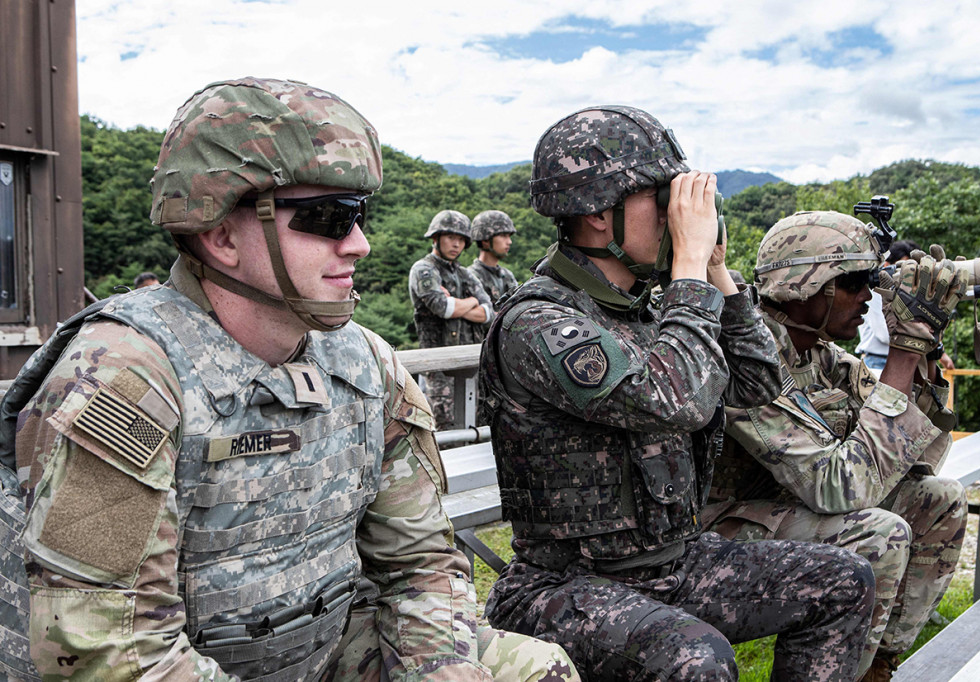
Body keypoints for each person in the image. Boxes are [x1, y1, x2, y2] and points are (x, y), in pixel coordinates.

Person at [3, 77, 577, 681]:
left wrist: (441, 671)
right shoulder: (122, 378)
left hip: (327, 648)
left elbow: (421, 565)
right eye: (329, 218)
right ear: (222, 235)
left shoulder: (363, 362)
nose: (361, 244)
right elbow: (112, 652)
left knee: (534, 670)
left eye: (359, 215)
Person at [479, 105, 875, 681]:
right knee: (694, 658)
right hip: (563, 585)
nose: (678, 217)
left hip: (672, 562)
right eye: (662, 200)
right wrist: (686, 267)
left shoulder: (650, 313)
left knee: (843, 581)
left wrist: (715, 273)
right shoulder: (537, 322)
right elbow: (675, 400)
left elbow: (761, 386)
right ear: (595, 214)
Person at [704, 211, 969, 681]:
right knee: (878, 532)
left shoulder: (822, 357)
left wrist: (923, 351)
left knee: (940, 500)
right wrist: (901, 355)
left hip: (783, 509)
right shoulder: (749, 357)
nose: (868, 296)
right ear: (808, 285)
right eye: (855, 282)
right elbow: (838, 489)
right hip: (716, 530)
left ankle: (874, 667)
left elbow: (922, 459)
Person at [408, 210, 493, 429]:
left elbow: (488, 314)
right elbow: (442, 308)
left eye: (461, 240)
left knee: (474, 425)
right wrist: (471, 302)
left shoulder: (465, 274)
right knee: (444, 425)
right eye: (450, 238)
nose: (456, 244)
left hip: (470, 364)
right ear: (436, 238)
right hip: (439, 366)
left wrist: (460, 304)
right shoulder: (424, 269)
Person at [857, 240, 954, 373]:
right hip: (878, 363)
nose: (911, 275)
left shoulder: (913, 294)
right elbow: (885, 335)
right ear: (886, 265)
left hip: (911, 360)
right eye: (905, 268)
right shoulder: (876, 293)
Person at [468, 210, 519, 343]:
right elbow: (476, 318)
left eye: (509, 236)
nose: (509, 242)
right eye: (503, 236)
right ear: (485, 240)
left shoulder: (506, 275)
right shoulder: (471, 276)